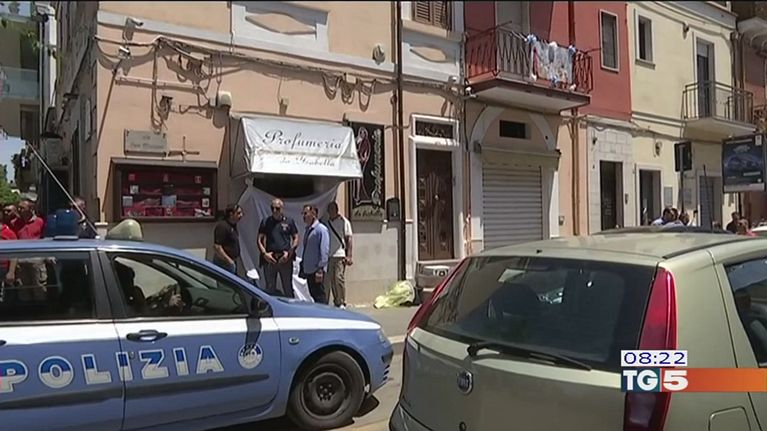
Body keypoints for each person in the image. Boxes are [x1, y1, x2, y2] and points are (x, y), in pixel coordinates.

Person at [258, 198, 299, 298]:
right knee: (270, 288)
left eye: (277, 208)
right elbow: (259, 239)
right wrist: (264, 254)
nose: (274, 211)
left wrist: (289, 253)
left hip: (285, 258)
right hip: (270, 258)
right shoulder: (266, 221)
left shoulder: (289, 221)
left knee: (287, 287)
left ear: (282, 209)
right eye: (272, 208)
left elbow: (296, 237)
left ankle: (291, 307)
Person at [323, 202, 353, 308]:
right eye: (329, 210)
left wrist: (349, 255)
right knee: (330, 280)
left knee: (338, 278)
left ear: (336, 210)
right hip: (329, 256)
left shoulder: (344, 222)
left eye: (332, 209)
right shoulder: (326, 223)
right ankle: (334, 301)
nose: (330, 212)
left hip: (340, 255)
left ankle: (341, 301)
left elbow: (349, 238)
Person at [300, 205, 330, 304]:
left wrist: (320, 270)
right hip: (309, 270)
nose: (303, 216)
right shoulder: (308, 229)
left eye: (305, 213)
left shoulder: (321, 230)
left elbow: (324, 251)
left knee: (320, 296)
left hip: (316, 271)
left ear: (313, 214)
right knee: (313, 295)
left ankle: (324, 313)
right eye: (303, 214)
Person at [213, 204, 243, 274]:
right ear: (231, 214)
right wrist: (229, 261)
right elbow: (217, 247)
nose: (241, 215)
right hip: (224, 263)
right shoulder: (222, 226)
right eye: (238, 213)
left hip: (232, 261)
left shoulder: (233, 226)